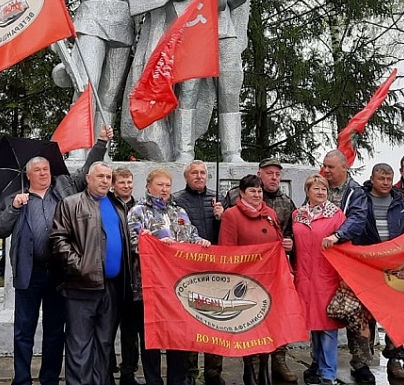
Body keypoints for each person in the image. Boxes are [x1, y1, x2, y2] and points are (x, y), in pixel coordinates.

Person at [121, 0, 261, 162]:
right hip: (187, 27)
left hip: (222, 27)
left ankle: (233, 153)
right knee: (188, 91)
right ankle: (184, 153)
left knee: (231, 89)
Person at [0, 127, 112, 385]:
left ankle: (49, 379)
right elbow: (1, 230)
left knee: (54, 331)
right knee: (23, 332)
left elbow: (86, 174)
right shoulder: (15, 198)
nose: (44, 173)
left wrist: (101, 142)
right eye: (37, 170)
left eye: (46, 169)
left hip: (59, 273)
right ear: (29, 175)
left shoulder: (64, 187)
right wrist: (14, 209)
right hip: (29, 274)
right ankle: (22, 379)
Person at [50, 162, 137, 385]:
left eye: (108, 177)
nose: (105, 181)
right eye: (100, 176)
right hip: (81, 287)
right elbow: (59, 240)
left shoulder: (117, 205)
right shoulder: (70, 204)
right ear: (88, 178)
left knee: (104, 343)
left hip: (112, 287)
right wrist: (80, 267)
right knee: (79, 345)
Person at [54, 0, 136, 156]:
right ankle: (77, 149)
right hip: (90, 17)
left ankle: (101, 151)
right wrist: (56, 28)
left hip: (122, 20)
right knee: (85, 86)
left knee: (109, 94)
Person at [127, 168, 211, 385]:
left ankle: (177, 380)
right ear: (148, 187)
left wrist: (201, 242)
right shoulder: (138, 211)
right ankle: (153, 381)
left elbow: (191, 236)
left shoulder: (179, 212)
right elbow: (132, 243)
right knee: (151, 340)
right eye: (159, 185)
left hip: (178, 289)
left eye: (167, 185)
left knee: (177, 338)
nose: (164, 189)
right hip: (149, 288)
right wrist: (155, 246)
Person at [224, 157, 298, 383]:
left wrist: (287, 254)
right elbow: (227, 251)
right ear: (242, 193)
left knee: (269, 326)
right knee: (249, 328)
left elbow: (279, 242)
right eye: (252, 191)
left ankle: (265, 372)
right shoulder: (232, 215)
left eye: (259, 191)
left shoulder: (271, 214)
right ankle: (251, 372)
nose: (257, 195)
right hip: (246, 281)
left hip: (270, 280)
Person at [320, 149, 376, 384]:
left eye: (330, 167)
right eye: (324, 166)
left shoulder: (356, 193)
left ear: (344, 167)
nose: (326, 171)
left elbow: (357, 220)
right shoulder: (320, 187)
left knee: (357, 313)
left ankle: (361, 362)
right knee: (323, 314)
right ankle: (320, 362)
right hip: (323, 263)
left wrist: (337, 235)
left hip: (350, 262)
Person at [361, 163, 404, 380]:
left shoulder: (402, 203)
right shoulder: (360, 199)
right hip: (368, 268)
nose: (385, 183)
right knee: (367, 317)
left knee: (397, 316)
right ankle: (363, 361)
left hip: (397, 269)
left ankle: (395, 359)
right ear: (372, 179)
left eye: (388, 179)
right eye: (381, 179)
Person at [172, 161, 225, 385]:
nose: (199, 176)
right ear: (186, 177)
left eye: (203, 173)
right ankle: (190, 373)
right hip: (190, 271)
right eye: (194, 173)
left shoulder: (218, 198)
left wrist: (222, 217)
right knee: (192, 322)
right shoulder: (176, 200)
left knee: (217, 321)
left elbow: (229, 235)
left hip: (216, 270)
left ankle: (214, 373)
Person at [292, 174, 347, 385]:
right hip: (304, 277)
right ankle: (317, 366)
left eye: (324, 188)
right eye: (316, 188)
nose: (321, 192)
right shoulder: (298, 215)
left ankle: (328, 374)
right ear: (308, 191)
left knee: (328, 327)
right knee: (313, 326)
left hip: (327, 278)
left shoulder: (336, 215)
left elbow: (345, 245)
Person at [108, 167, 143, 385]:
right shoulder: (106, 205)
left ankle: (128, 371)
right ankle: (107, 370)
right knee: (108, 328)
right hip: (112, 277)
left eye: (129, 182)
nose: (127, 185)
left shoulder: (139, 207)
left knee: (131, 330)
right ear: (113, 185)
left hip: (134, 279)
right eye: (122, 182)